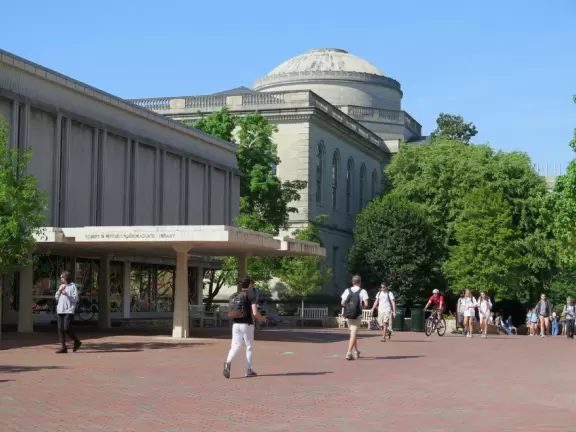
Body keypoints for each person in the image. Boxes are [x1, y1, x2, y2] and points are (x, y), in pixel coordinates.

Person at [223, 276, 266, 379]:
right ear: (250, 284)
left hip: (235, 324)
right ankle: (248, 370)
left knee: (235, 345)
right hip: (247, 324)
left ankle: (227, 362)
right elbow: (255, 313)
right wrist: (262, 318)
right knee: (249, 347)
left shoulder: (235, 295)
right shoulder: (251, 295)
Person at [341, 275, 369, 360]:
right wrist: (360, 308)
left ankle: (356, 351)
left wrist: (349, 308)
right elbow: (366, 304)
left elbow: (342, 302)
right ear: (360, 282)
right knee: (354, 333)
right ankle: (349, 353)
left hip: (349, 315)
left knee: (353, 333)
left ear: (352, 282)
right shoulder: (363, 291)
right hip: (357, 315)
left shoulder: (347, 290)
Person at [55, 271, 82, 354]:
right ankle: (63, 347)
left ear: (66, 277)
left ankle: (76, 341)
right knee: (60, 329)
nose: (61, 279)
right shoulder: (61, 286)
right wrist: (59, 291)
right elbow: (56, 297)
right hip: (60, 310)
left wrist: (67, 294)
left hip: (69, 310)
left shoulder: (73, 286)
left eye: (62, 277)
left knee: (66, 328)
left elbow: (76, 299)